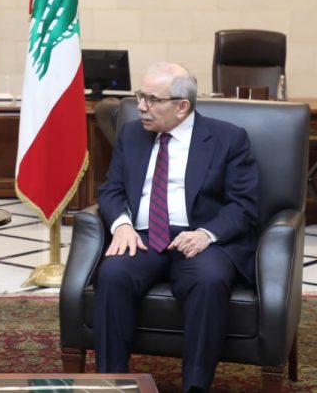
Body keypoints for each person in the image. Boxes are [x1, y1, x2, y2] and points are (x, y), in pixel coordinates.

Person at [94, 63, 259, 392]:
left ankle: (195, 386)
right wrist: (122, 225)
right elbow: (111, 189)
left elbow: (244, 205)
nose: (141, 107)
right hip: (143, 235)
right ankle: (111, 383)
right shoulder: (131, 134)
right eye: (140, 96)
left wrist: (206, 234)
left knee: (209, 280)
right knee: (112, 274)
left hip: (200, 238)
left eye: (152, 99)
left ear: (182, 106)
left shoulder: (228, 139)